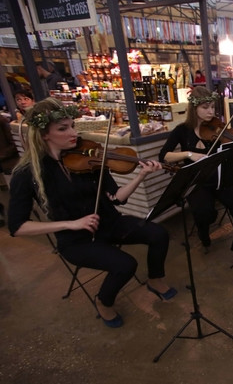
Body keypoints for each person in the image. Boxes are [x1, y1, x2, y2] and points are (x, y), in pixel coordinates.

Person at [8, 97, 177, 328]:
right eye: (63, 129)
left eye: (73, 126)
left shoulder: (89, 155)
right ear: (44, 134)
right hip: (76, 240)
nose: (73, 133)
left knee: (159, 234)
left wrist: (140, 176)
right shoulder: (27, 173)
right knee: (125, 265)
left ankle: (155, 279)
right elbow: (17, 227)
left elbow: (117, 198)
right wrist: (71, 224)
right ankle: (103, 301)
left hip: (109, 222)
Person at [158, 86, 233, 273]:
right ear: (194, 108)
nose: (211, 112)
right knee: (204, 212)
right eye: (205, 107)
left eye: (213, 107)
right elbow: (164, 155)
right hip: (197, 181)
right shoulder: (182, 131)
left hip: (221, 177)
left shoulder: (218, 128)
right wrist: (189, 154)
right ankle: (203, 232)